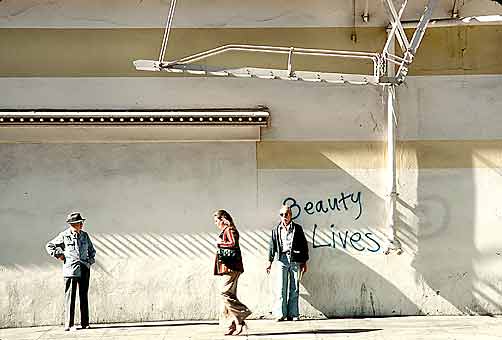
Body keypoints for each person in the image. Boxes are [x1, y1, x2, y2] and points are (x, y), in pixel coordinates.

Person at [46, 212, 96, 331]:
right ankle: (69, 324)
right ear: (73, 224)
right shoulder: (64, 235)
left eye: (81, 222)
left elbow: (92, 250)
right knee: (70, 297)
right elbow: (50, 245)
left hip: (84, 268)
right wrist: (59, 255)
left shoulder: (85, 236)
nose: (81, 224)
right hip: (70, 270)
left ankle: (85, 323)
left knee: (84, 296)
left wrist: (89, 261)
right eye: (79, 223)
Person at [266, 205, 309, 321]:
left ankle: (293, 314)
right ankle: (281, 314)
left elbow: (304, 246)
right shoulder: (276, 230)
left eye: (286, 214)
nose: (284, 217)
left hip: (295, 259)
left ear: (291, 215)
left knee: (294, 288)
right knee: (281, 287)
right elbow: (272, 246)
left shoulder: (297, 229)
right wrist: (269, 261)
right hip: (281, 259)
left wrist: (304, 262)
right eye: (282, 215)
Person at [213, 209, 252, 336]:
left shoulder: (230, 230)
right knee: (229, 295)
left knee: (224, 292)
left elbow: (233, 243)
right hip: (228, 268)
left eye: (217, 221)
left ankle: (241, 314)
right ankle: (233, 324)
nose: (216, 223)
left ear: (223, 219)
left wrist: (221, 243)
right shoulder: (226, 230)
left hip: (231, 267)